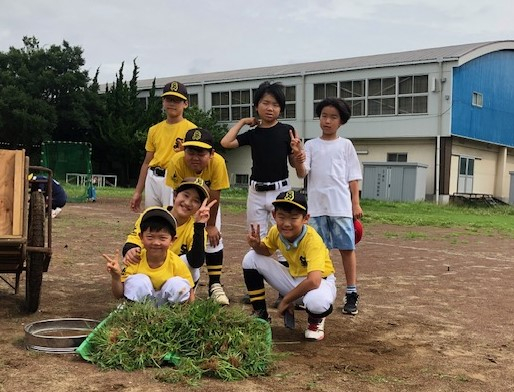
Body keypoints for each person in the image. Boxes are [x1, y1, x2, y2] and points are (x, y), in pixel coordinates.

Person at [220, 81, 303, 306]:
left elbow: (298, 168)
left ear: (281, 109)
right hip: (256, 192)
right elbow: (226, 142)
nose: (270, 108)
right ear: (256, 106)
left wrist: (298, 153)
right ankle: (257, 290)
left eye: (275, 104)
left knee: (284, 240)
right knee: (257, 240)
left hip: (281, 191)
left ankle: (285, 291)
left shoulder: (287, 131)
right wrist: (243, 122)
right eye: (265, 103)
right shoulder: (253, 134)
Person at [294, 97, 363, 315]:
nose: (327, 121)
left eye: (333, 117)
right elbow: (302, 172)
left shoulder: (346, 145)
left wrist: (355, 204)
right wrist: (297, 156)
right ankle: (316, 291)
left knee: (347, 249)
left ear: (341, 121)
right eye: (324, 116)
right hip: (316, 208)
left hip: (341, 207)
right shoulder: (311, 145)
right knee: (316, 252)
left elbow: (353, 177)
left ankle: (351, 291)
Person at [242, 190, 336, 341]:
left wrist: (286, 299)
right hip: (293, 280)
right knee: (251, 258)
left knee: (317, 303)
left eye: (293, 218)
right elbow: (265, 252)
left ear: (305, 218)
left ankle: (315, 321)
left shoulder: (312, 240)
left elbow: (314, 281)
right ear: (274, 216)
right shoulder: (276, 232)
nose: (286, 223)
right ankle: (260, 314)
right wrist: (257, 245)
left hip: (320, 283)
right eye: (281, 217)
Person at [166, 128, 231, 305]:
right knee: (171, 234)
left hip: (205, 202)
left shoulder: (218, 162)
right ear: (183, 150)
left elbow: (215, 195)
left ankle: (215, 285)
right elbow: (175, 194)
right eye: (190, 151)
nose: (195, 157)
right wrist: (176, 218)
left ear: (211, 153)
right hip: (184, 200)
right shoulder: (176, 161)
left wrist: (210, 225)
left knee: (212, 239)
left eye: (201, 152)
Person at [123, 177, 216, 289]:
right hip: (148, 270)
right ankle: (137, 295)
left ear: (200, 207)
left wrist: (199, 226)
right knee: (136, 255)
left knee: (185, 262)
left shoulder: (195, 228)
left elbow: (196, 262)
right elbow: (132, 241)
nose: (188, 203)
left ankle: (181, 298)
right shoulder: (153, 214)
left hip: (174, 279)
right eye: (185, 195)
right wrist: (131, 250)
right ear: (175, 195)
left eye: (196, 201)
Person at [104, 207, 195, 306]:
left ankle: (174, 313)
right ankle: (138, 312)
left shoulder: (176, 262)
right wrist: (116, 277)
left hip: (168, 307)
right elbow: (118, 295)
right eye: (150, 237)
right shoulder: (135, 259)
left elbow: (189, 291)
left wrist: (191, 314)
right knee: (138, 281)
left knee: (178, 284)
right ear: (141, 237)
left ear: (172, 240)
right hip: (142, 306)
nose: (156, 243)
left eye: (162, 238)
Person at [130, 81, 196, 212]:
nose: (172, 103)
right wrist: (138, 192)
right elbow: (146, 162)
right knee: (152, 217)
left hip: (175, 178)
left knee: (172, 218)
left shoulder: (191, 130)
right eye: (169, 99)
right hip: (153, 177)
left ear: (185, 104)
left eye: (177, 100)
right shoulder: (154, 130)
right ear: (163, 102)